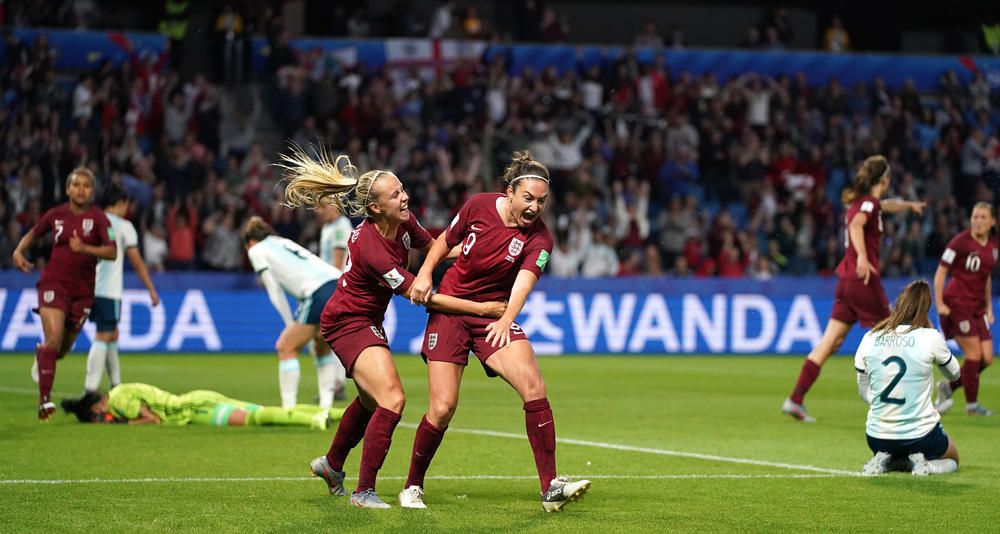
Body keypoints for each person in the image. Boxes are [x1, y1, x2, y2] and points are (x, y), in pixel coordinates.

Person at [278, 148, 506, 509]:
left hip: (366, 320)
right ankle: (363, 492)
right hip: (346, 321)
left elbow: (434, 247)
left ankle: (333, 465)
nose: (405, 197)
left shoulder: (402, 222)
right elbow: (423, 295)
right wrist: (483, 308)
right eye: (396, 194)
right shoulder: (372, 247)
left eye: (402, 190)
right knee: (393, 399)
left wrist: (479, 246)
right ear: (375, 207)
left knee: (371, 399)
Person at [404, 151, 592, 512]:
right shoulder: (477, 205)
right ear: (509, 192)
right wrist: (426, 273)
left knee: (534, 387)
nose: (535, 207)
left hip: (493, 316)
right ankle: (413, 485)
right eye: (528, 198)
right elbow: (444, 241)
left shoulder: (540, 240)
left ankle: (550, 488)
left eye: (542, 201)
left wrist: (507, 319)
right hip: (451, 311)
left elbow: (523, 284)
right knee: (442, 408)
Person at [783, 155, 926, 422]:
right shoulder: (868, 206)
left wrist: (907, 205)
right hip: (863, 279)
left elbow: (884, 206)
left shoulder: (865, 203)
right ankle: (898, 406)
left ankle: (795, 399)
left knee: (831, 341)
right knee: (892, 335)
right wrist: (862, 256)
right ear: (885, 179)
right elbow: (857, 224)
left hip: (845, 282)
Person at [13, 167, 117, 420]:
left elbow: (112, 252)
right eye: (76, 184)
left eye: (86, 185)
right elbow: (34, 233)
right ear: (68, 188)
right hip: (53, 285)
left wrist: (85, 247)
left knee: (60, 350)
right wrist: (18, 251)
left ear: (92, 191)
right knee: (53, 339)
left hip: (82, 293)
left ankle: (44, 355)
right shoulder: (56, 214)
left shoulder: (100, 219)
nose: (81, 189)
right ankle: (44, 401)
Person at [855, 280, 961, 476]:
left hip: (876, 436)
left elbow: (863, 390)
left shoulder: (870, 336)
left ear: (899, 304)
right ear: (926, 308)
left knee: (892, 446)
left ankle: (886, 459)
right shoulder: (930, 337)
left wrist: (886, 408)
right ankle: (926, 465)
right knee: (953, 456)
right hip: (922, 435)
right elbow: (955, 374)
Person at [242, 216, 343, 409]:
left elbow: (274, 289)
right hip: (338, 284)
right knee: (321, 346)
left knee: (286, 347)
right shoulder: (282, 242)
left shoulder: (256, 250)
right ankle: (325, 408)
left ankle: (288, 409)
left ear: (250, 242)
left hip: (318, 291)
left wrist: (289, 323)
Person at [85, 183, 160, 394]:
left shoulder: (91, 221)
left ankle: (116, 385)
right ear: (120, 203)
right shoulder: (123, 226)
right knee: (103, 335)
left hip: (89, 288)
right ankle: (89, 391)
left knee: (112, 333)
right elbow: (136, 261)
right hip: (108, 290)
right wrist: (151, 289)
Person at [933, 202, 997, 416]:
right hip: (957, 304)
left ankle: (947, 387)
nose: (978, 221)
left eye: (982, 217)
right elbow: (941, 272)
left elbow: (986, 277)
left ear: (992, 222)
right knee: (973, 354)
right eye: (975, 216)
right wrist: (940, 302)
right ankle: (972, 406)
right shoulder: (959, 242)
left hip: (977, 308)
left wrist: (989, 307)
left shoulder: (993, 248)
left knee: (987, 358)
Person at [61, 383, 342, 429]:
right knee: (263, 410)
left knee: (255, 419)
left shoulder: (120, 400)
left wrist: (124, 424)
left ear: (97, 408)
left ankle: (313, 422)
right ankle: (340, 413)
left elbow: (152, 420)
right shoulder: (121, 390)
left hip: (196, 410)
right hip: (198, 399)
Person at [317, 203, 353, 401]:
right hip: (328, 285)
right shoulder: (328, 227)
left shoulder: (341, 227)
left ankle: (337, 382)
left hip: (336, 287)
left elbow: (337, 263)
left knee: (332, 336)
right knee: (328, 338)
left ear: (334, 207)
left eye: (322, 207)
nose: (319, 211)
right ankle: (334, 383)